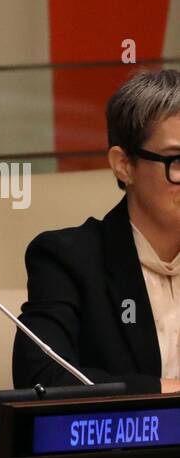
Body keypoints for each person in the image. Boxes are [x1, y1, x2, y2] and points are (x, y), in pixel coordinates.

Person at [14, 69, 180, 395]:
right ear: (124, 165)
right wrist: (167, 390)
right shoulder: (68, 258)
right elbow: (43, 377)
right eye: (176, 160)